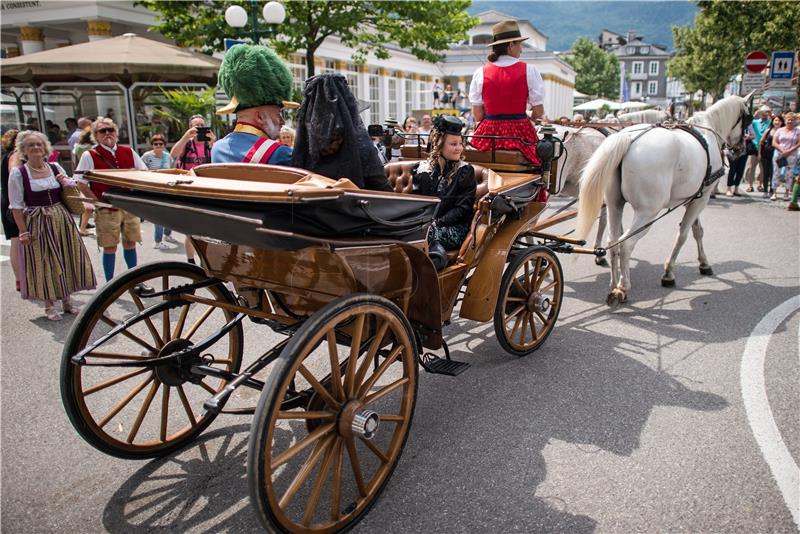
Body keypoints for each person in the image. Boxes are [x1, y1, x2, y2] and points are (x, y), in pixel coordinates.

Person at [8, 130, 96, 320]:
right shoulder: (19, 174)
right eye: (31, 145)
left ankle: (67, 301)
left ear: (45, 147)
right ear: (24, 150)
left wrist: (66, 183)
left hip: (61, 218)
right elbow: (16, 206)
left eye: (39, 144)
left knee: (66, 258)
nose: (36, 148)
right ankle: (49, 305)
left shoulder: (55, 167)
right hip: (37, 221)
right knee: (45, 262)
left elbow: (71, 192)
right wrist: (23, 231)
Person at [74, 117, 149, 286]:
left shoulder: (128, 151)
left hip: (129, 205)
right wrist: (97, 202)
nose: (107, 134)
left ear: (116, 133)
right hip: (106, 207)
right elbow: (80, 182)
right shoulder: (90, 155)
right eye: (102, 131)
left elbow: (144, 173)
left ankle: (134, 281)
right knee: (110, 247)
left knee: (130, 243)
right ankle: (109, 285)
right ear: (96, 135)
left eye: (110, 130)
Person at [468, 20, 544, 165]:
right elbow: (538, 112)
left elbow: (477, 115)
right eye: (520, 45)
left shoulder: (480, 72)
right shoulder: (530, 70)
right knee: (542, 161)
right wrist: (528, 115)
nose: (521, 50)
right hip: (520, 133)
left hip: (489, 135)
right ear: (510, 46)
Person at [212, 44, 297, 166]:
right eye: (278, 113)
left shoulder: (217, 149)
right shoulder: (280, 154)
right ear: (259, 117)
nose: (282, 121)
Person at [411, 115, 476, 253]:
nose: (459, 148)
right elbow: (417, 202)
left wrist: (435, 224)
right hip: (426, 225)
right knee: (405, 233)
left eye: (460, 143)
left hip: (456, 227)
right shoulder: (423, 169)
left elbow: (462, 209)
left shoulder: (465, 171)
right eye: (453, 144)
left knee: (423, 236)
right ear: (439, 145)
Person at [171, 114, 214, 264]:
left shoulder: (210, 145)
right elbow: (173, 154)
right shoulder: (187, 144)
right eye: (196, 126)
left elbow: (218, 162)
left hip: (205, 190)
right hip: (188, 190)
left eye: (202, 126)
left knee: (206, 229)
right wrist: (185, 137)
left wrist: (213, 142)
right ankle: (191, 261)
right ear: (190, 128)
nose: (199, 129)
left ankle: (204, 259)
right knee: (190, 229)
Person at [141, 133, 176, 249]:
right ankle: (157, 241)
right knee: (159, 215)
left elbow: (172, 170)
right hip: (154, 189)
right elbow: (141, 170)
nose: (158, 146)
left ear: (164, 145)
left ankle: (167, 234)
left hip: (167, 188)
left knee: (170, 213)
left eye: (160, 144)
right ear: (152, 145)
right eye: (155, 144)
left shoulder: (167, 156)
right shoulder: (146, 156)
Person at [1, 129, 21, 291]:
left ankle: (19, 279)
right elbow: (15, 175)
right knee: (17, 238)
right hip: (14, 201)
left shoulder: (6, 155)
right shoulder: (15, 156)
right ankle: (21, 279)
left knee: (16, 239)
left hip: (7, 199)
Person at [771, 112, 800, 201]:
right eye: (788, 119)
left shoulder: (797, 131)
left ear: (795, 121)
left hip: (791, 155)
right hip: (780, 154)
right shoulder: (780, 130)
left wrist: (790, 150)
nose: (790, 121)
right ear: (785, 120)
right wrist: (782, 150)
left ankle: (787, 192)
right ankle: (774, 192)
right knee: (776, 173)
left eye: (792, 120)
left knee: (789, 174)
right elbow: (774, 142)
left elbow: (799, 143)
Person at [744, 106, 771, 192]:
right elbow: (748, 122)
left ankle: (760, 184)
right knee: (752, 167)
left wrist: (770, 113)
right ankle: (750, 185)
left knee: (762, 167)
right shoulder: (755, 122)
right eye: (763, 112)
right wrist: (756, 113)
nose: (764, 114)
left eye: (766, 112)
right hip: (755, 146)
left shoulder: (770, 122)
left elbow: (776, 121)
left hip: (764, 147)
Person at [759, 113, 779, 199]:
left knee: (774, 173)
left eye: (779, 120)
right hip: (766, 154)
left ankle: (773, 190)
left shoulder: (783, 131)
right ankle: (765, 190)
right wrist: (759, 153)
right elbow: (761, 142)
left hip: (778, 154)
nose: (777, 122)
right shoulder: (768, 130)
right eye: (775, 120)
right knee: (766, 173)